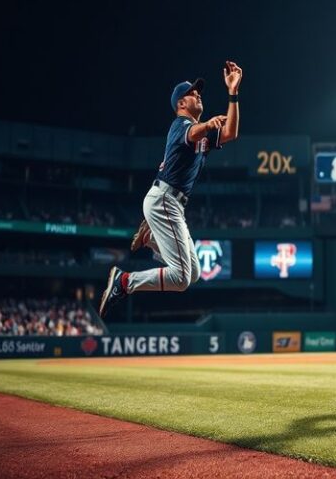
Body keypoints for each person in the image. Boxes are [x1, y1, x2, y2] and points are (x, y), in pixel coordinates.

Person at [99, 61, 243, 316]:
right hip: (164, 198)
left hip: (170, 202)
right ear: (181, 104)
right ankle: (123, 282)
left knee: (194, 273)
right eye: (192, 93)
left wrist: (233, 92)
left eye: (199, 92)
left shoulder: (199, 133)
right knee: (181, 278)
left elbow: (230, 132)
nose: (198, 94)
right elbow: (193, 133)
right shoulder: (180, 125)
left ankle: (152, 239)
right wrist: (208, 125)